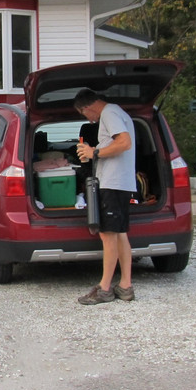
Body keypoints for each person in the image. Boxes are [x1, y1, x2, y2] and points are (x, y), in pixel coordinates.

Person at [73, 88, 136, 304]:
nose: (88, 120)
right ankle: (125, 286)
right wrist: (94, 150)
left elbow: (124, 143)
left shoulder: (109, 113)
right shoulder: (118, 112)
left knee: (108, 235)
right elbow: (115, 144)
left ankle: (104, 288)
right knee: (120, 234)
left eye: (84, 114)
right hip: (121, 183)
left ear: (87, 107)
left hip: (112, 183)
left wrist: (95, 152)